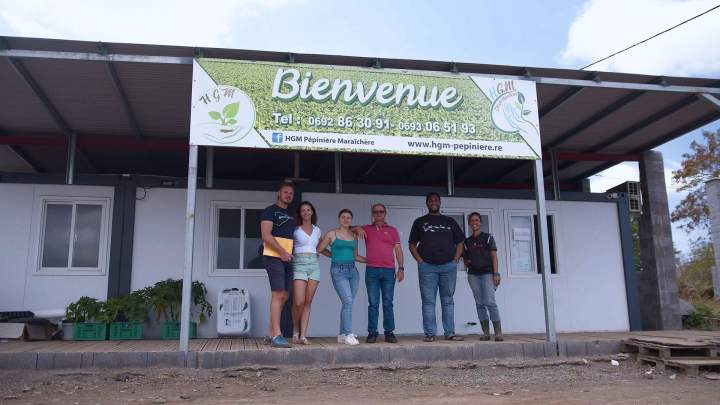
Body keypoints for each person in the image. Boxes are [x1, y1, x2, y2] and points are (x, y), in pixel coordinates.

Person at [408, 192, 465, 342]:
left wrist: (456, 259)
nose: (433, 202)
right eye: (430, 200)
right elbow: (412, 244)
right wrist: (420, 260)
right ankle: (430, 334)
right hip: (427, 267)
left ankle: (449, 333)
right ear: (426, 203)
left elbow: (460, 242)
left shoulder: (450, 221)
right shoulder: (419, 221)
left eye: (436, 200)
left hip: (448, 266)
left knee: (448, 300)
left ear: (440, 203)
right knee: (428, 301)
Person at [356, 204, 404, 343]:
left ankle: (389, 332)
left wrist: (401, 268)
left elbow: (398, 251)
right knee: (373, 303)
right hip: (372, 270)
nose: (378, 214)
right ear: (372, 214)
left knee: (388, 303)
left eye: (381, 211)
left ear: (385, 213)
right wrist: (357, 228)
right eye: (375, 212)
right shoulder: (366, 229)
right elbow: (349, 229)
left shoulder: (392, 230)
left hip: (389, 271)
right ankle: (372, 332)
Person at [317, 209, 366, 345]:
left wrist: (371, 260)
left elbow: (355, 256)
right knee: (348, 302)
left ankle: (342, 335)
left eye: (348, 217)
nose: (346, 219)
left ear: (351, 220)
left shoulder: (354, 236)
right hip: (338, 271)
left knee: (347, 303)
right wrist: (333, 256)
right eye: (343, 217)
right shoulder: (332, 234)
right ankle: (349, 333)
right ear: (339, 218)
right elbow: (320, 249)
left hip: (353, 271)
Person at [260, 181, 296, 348]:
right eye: (285, 192)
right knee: (278, 294)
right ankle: (277, 335)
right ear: (278, 193)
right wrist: (281, 252)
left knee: (286, 295)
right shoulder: (270, 211)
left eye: (291, 193)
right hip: (274, 256)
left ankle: (270, 333)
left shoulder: (291, 216)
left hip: (287, 258)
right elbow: (266, 235)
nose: (288, 195)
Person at [464, 212, 503, 341]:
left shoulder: (488, 238)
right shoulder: (467, 241)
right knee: (479, 303)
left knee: (490, 302)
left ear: (480, 222)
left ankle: (498, 333)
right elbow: (466, 259)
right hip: (473, 275)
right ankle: (486, 333)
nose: (474, 222)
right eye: (472, 220)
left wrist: (496, 273)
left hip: (487, 273)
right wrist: (467, 261)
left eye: (477, 220)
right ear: (469, 223)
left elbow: (494, 256)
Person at [291, 201, 321, 345]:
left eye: (308, 210)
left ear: (312, 212)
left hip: (314, 265)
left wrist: (329, 253)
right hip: (299, 264)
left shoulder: (317, 230)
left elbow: (320, 245)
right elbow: (287, 245)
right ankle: (295, 329)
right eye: (303, 210)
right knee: (299, 301)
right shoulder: (295, 229)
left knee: (308, 302)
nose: (306, 212)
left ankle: (303, 335)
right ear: (300, 213)